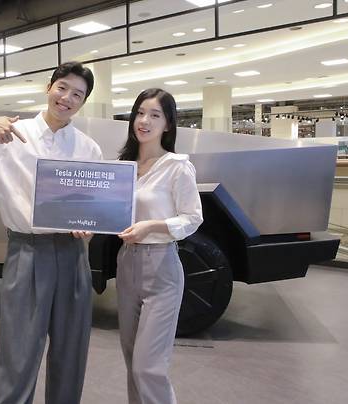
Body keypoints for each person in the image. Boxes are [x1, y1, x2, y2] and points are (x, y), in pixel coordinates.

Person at [0, 61, 102, 404]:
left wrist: (88, 228)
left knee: (71, 351)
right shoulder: (9, 134)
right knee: (19, 353)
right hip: (27, 251)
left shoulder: (88, 148)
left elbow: (92, 208)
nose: (67, 98)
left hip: (73, 258)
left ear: (83, 102)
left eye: (77, 94)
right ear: (49, 87)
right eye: (62, 88)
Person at [116, 88, 203, 404]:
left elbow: (192, 218)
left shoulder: (177, 166)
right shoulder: (123, 167)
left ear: (168, 124)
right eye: (140, 112)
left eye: (155, 115)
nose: (144, 120)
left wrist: (153, 226)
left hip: (162, 267)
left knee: (148, 367)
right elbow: (111, 214)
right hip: (126, 265)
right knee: (131, 359)